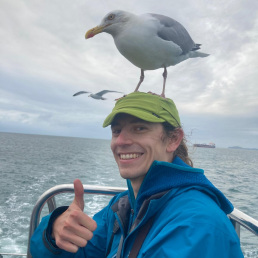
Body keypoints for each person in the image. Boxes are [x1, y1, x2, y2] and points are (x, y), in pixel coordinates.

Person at [30, 92, 244, 257]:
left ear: (173, 139)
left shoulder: (198, 224)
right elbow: (82, 252)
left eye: (139, 128)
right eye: (116, 131)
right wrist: (54, 232)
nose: (121, 141)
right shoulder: (123, 206)